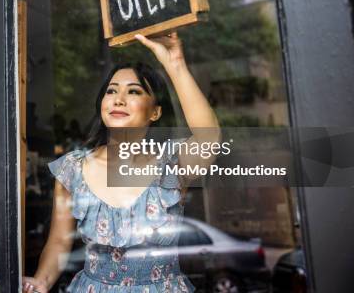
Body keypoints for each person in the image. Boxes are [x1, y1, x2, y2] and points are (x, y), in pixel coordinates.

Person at [22, 32, 220, 292]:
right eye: (111, 91)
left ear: (155, 112)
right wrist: (41, 281)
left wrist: (175, 63)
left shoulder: (173, 164)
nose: (118, 98)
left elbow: (209, 138)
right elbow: (59, 242)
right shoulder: (72, 169)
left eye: (134, 91)